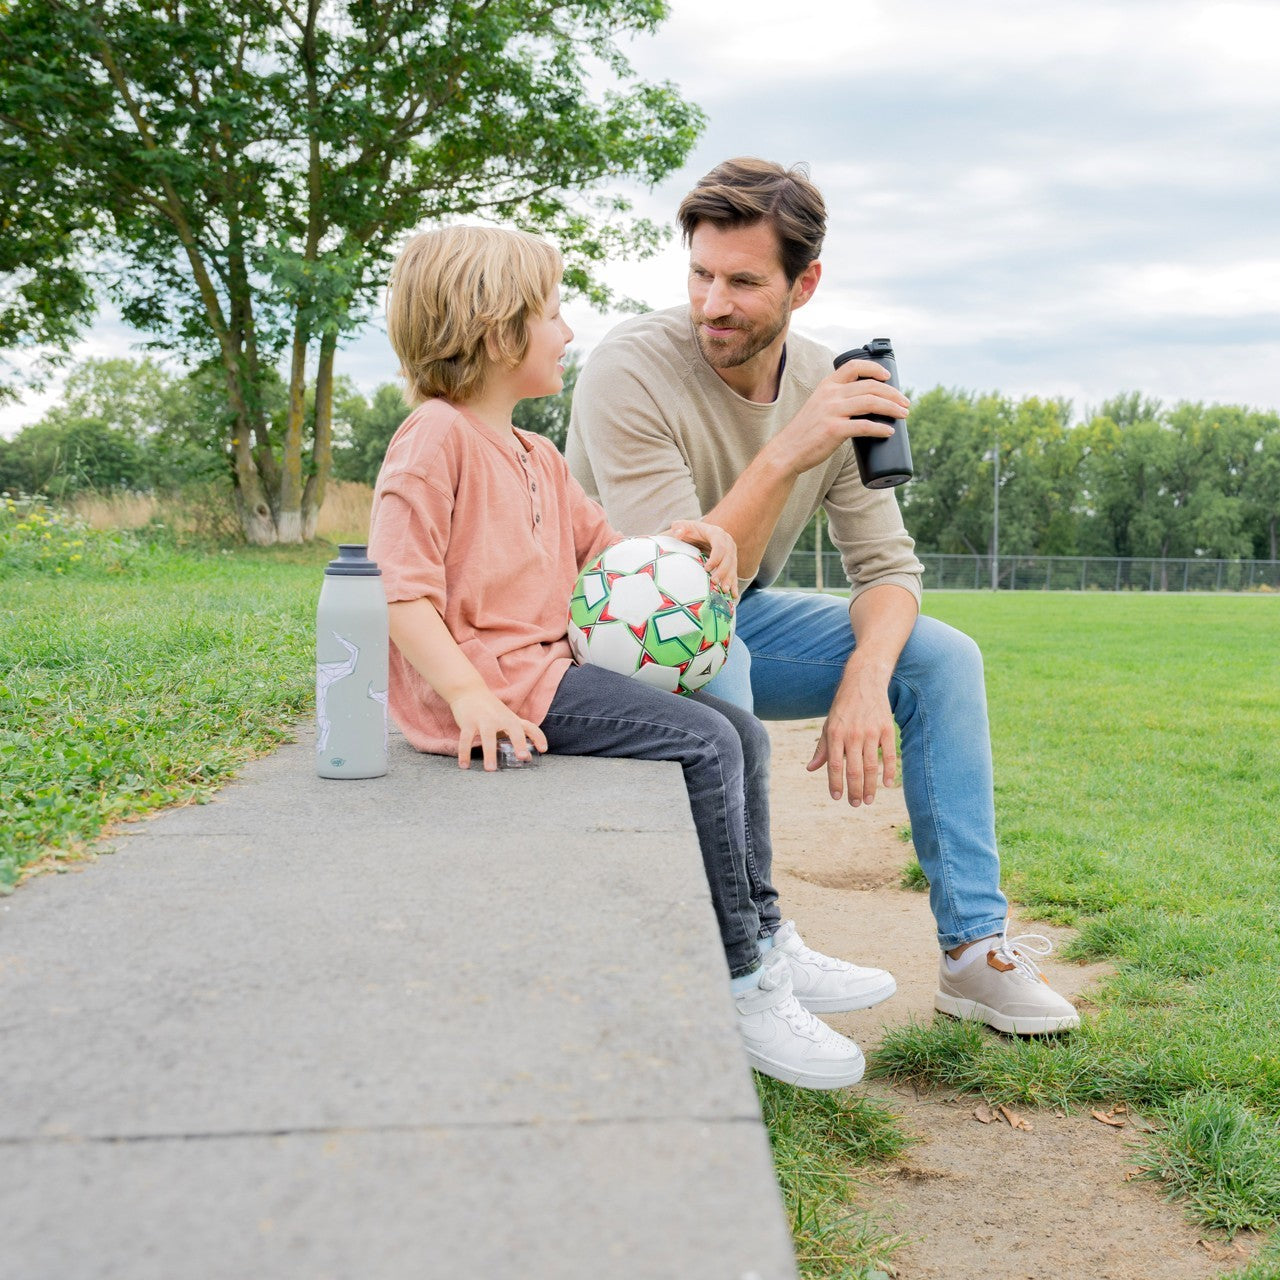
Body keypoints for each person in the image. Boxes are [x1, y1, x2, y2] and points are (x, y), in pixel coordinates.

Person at [366, 224, 900, 1091]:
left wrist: (693, 542)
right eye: (550, 314)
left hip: (548, 675)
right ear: (496, 331)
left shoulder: (537, 455)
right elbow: (399, 590)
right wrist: (466, 696)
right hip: (503, 689)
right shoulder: (434, 438)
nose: (567, 331)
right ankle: (742, 982)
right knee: (707, 742)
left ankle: (768, 936)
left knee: (741, 733)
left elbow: (614, 558)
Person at [566, 158, 1080, 1036]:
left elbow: (888, 569)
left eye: (742, 282)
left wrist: (869, 678)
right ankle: (755, 948)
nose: (712, 303)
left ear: (804, 285)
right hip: (614, 630)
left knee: (940, 659)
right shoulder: (631, 366)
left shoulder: (834, 385)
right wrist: (788, 449)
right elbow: (674, 590)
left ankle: (975, 954)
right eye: (700, 274)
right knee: (720, 656)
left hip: (730, 610)